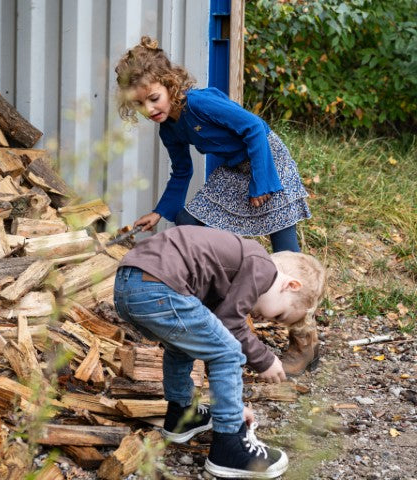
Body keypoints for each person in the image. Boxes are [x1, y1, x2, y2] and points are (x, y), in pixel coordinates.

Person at [115, 36, 317, 374]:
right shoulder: (170, 128)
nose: (150, 110)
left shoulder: (199, 104)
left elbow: (254, 127)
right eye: (140, 105)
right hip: (235, 170)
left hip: (266, 159)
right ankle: (207, 317)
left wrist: (262, 182)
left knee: (287, 250)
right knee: (189, 219)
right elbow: (182, 171)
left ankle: (304, 340)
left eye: (154, 99)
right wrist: (160, 212)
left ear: (170, 84)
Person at [113, 225, 326, 479]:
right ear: (290, 285)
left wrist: (232, 406)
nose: (266, 319)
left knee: (182, 347)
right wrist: (265, 360)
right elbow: (230, 327)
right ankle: (229, 447)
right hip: (159, 286)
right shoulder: (262, 267)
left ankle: (181, 415)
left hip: (129, 284)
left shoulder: (232, 272)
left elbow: (216, 336)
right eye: (279, 315)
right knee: (230, 353)